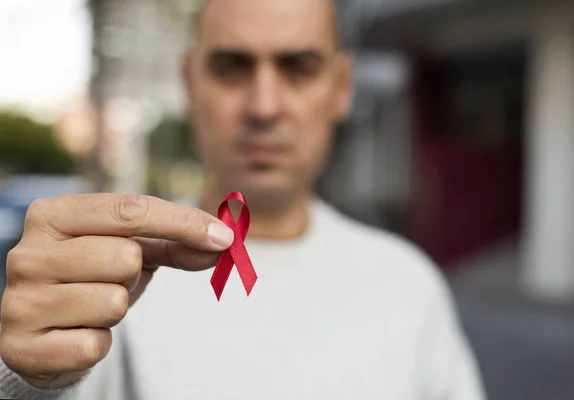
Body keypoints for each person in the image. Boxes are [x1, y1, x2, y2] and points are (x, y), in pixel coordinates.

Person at [0, 0, 486, 398]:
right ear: (190, 83)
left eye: (298, 68)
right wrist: (26, 376)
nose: (264, 106)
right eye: (232, 67)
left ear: (341, 88)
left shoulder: (408, 285)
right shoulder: (112, 273)